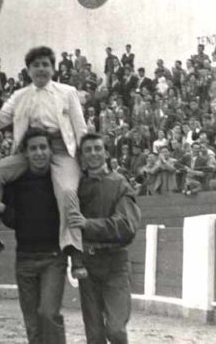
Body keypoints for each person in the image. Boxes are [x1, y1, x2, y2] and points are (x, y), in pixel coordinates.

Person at [0, 46, 88, 277]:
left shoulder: (67, 92)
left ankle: (74, 251)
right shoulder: (19, 96)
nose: (41, 69)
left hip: (59, 151)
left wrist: (85, 160)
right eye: (36, 65)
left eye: (45, 64)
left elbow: (81, 129)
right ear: (28, 70)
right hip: (28, 151)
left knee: (68, 191)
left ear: (53, 68)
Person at [0, 128, 69, 344]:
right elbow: (13, 221)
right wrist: (3, 208)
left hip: (53, 257)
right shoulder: (15, 182)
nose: (39, 153)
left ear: (50, 150)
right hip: (25, 260)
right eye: (34, 148)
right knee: (32, 324)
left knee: (49, 314)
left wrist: (2, 208)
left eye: (43, 147)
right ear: (25, 153)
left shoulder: (60, 180)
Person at [68, 133, 141, 344]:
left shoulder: (120, 183)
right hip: (87, 265)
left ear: (106, 153)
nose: (93, 153)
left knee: (116, 330)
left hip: (115, 263)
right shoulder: (76, 187)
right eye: (88, 150)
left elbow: (126, 226)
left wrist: (87, 224)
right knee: (95, 335)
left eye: (98, 148)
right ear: (81, 156)